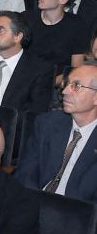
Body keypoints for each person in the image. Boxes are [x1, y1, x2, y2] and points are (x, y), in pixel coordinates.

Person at [15, 62, 97, 206]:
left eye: (76, 86)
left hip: (78, 217)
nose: (64, 91)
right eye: (66, 84)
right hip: (35, 205)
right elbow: (26, 173)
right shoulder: (47, 124)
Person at [0, 11, 53, 116]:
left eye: (1, 30)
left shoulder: (39, 70)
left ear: (17, 37)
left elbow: (34, 113)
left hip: (12, 127)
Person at [26, 0, 88, 76]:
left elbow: (76, 68)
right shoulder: (26, 18)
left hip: (56, 84)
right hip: (25, 79)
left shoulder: (77, 25)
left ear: (63, 0)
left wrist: (50, 82)